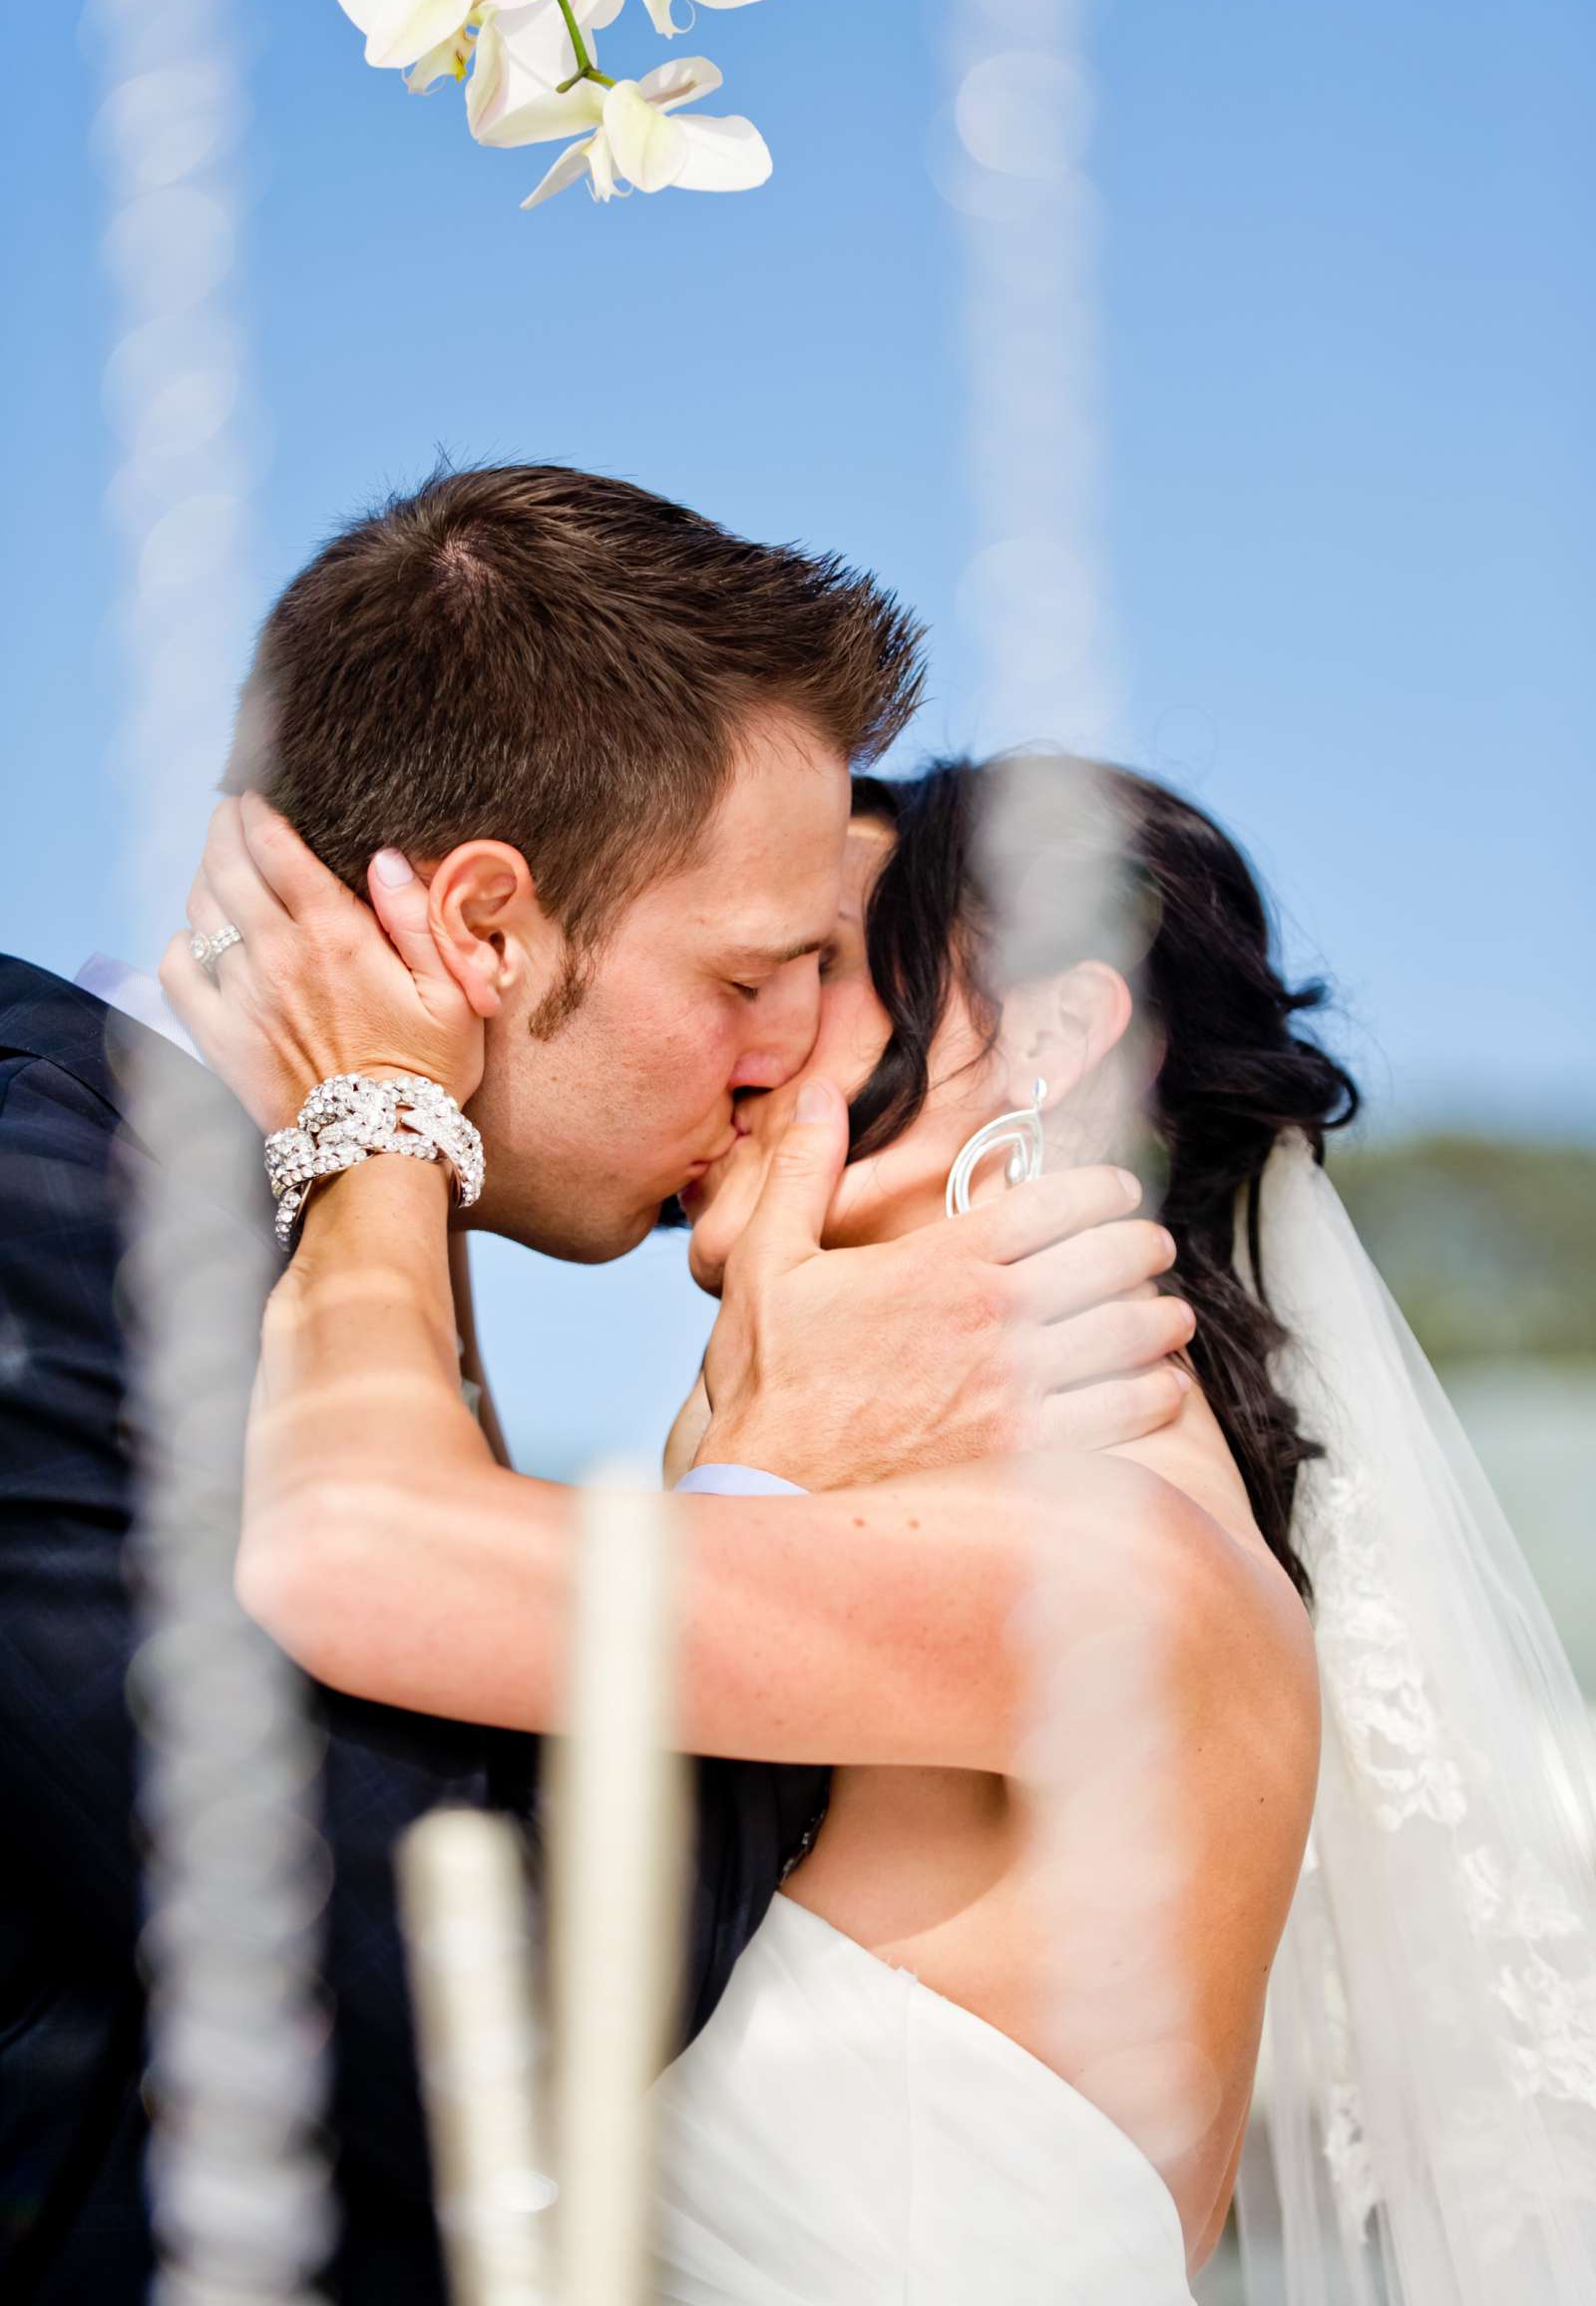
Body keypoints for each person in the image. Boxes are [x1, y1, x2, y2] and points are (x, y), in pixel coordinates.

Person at [176, 747, 1596, 2303]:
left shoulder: (1092, 1559)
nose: (748, 1039)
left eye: (814, 967)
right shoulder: (876, 1531)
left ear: (1047, 1031)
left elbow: (355, 1552)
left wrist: (371, 1109)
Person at [0, 469, 1186, 2302]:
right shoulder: (40, 1214)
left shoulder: (312, 1261)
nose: (788, 1062)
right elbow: (471, 2003)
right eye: (752, 974)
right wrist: (775, 1483)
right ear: (485, 928)